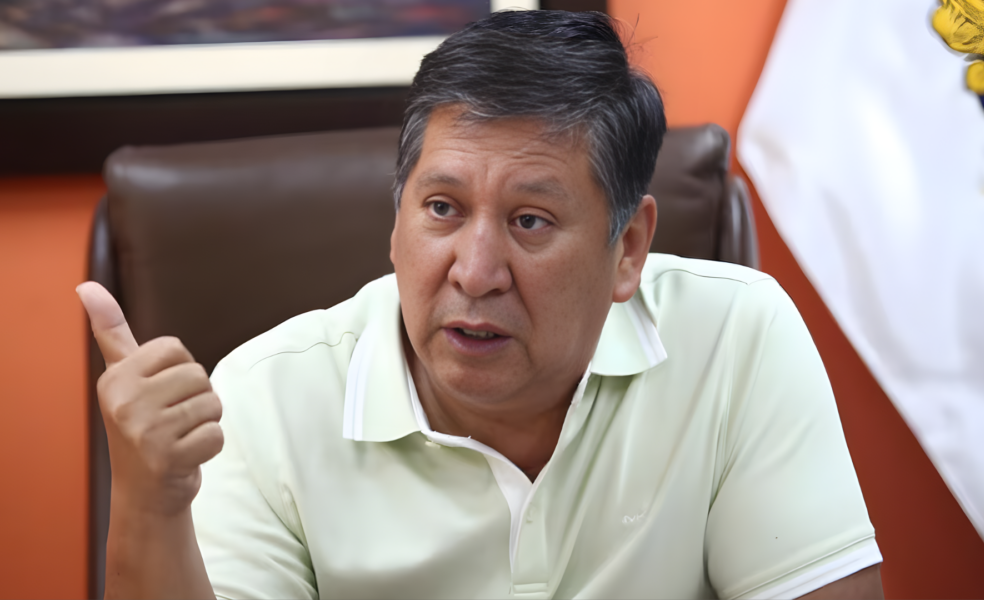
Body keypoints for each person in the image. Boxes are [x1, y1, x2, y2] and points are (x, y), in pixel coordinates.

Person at [78, 10, 884, 599]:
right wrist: (151, 504)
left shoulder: (736, 337)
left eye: (530, 220)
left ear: (628, 249)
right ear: (395, 220)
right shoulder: (264, 399)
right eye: (442, 209)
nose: (475, 271)